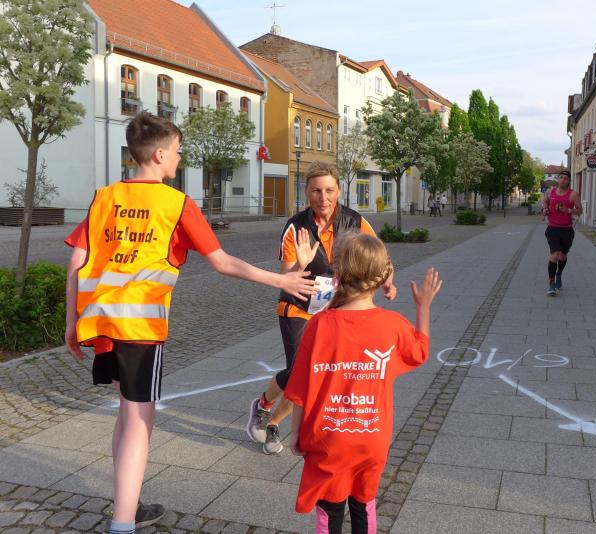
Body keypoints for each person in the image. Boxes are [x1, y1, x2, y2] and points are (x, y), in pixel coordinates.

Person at [64, 112, 316, 534]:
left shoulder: (104, 197)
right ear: (160, 155)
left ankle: (128, 504)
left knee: (126, 413)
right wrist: (282, 280)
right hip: (140, 325)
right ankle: (123, 523)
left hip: (102, 321)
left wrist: (71, 321)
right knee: (140, 419)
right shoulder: (176, 204)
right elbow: (222, 262)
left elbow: (77, 259)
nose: (180, 158)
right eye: (178, 151)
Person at [285, 233, 442, 534]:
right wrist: (423, 307)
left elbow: (300, 389)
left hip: (328, 439)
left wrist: (295, 433)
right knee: (364, 503)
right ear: (383, 277)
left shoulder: (319, 325)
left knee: (329, 511)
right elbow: (420, 351)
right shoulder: (392, 325)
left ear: (337, 272)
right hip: (372, 438)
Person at [246, 162, 397, 455]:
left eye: (329, 190)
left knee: (315, 372)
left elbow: (381, 257)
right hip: (298, 307)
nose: (323, 197)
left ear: (338, 190)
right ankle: (263, 405)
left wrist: (388, 280)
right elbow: (285, 276)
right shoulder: (296, 226)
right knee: (298, 371)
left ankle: (274, 422)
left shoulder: (355, 221)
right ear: (306, 192)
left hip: (335, 310)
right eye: (316, 191)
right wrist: (301, 265)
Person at [542, 170, 581, 296]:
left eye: (565, 178)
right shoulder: (550, 192)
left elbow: (580, 210)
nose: (563, 180)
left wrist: (568, 210)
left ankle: (559, 274)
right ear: (557, 179)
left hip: (567, 230)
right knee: (555, 255)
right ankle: (551, 283)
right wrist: (545, 209)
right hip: (552, 228)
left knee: (562, 256)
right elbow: (545, 202)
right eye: (561, 177)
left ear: (569, 181)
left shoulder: (573, 194)